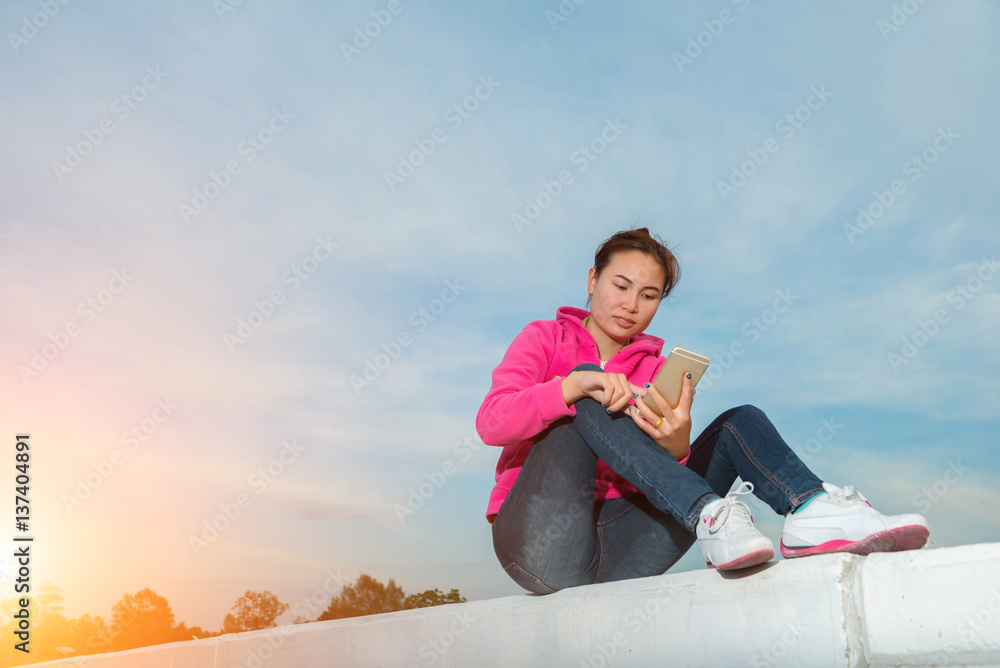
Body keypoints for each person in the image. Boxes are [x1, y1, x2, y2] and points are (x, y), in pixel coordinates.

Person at [476, 227, 929, 594]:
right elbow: (491, 421)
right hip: (542, 545)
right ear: (593, 280)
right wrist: (572, 385)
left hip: (627, 548)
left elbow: (656, 471)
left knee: (739, 421)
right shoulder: (544, 338)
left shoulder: (655, 369)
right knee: (587, 394)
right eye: (620, 286)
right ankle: (708, 513)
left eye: (649, 295)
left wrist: (677, 441)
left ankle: (809, 509)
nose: (631, 305)